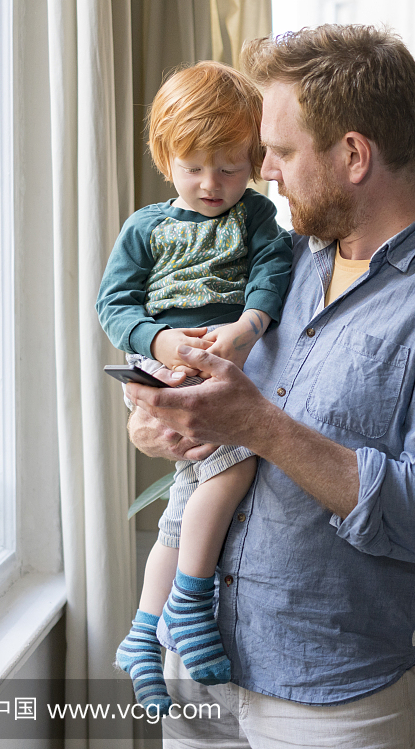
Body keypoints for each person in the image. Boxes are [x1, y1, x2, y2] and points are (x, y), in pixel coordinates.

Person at [127, 25, 415, 749]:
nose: (265, 172)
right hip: (199, 661)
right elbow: (219, 402)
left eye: (279, 152)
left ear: (353, 154)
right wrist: (163, 423)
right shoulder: (286, 262)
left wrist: (264, 427)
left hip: (332, 698)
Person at [96, 61, 293, 703]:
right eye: (194, 167)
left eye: (231, 167)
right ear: (166, 159)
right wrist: (159, 342)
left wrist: (246, 327)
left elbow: (274, 269)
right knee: (231, 469)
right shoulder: (146, 228)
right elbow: (115, 303)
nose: (212, 184)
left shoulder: (258, 217)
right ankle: (188, 599)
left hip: (226, 359)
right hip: (167, 366)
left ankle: (145, 631)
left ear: (255, 158)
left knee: (181, 513)